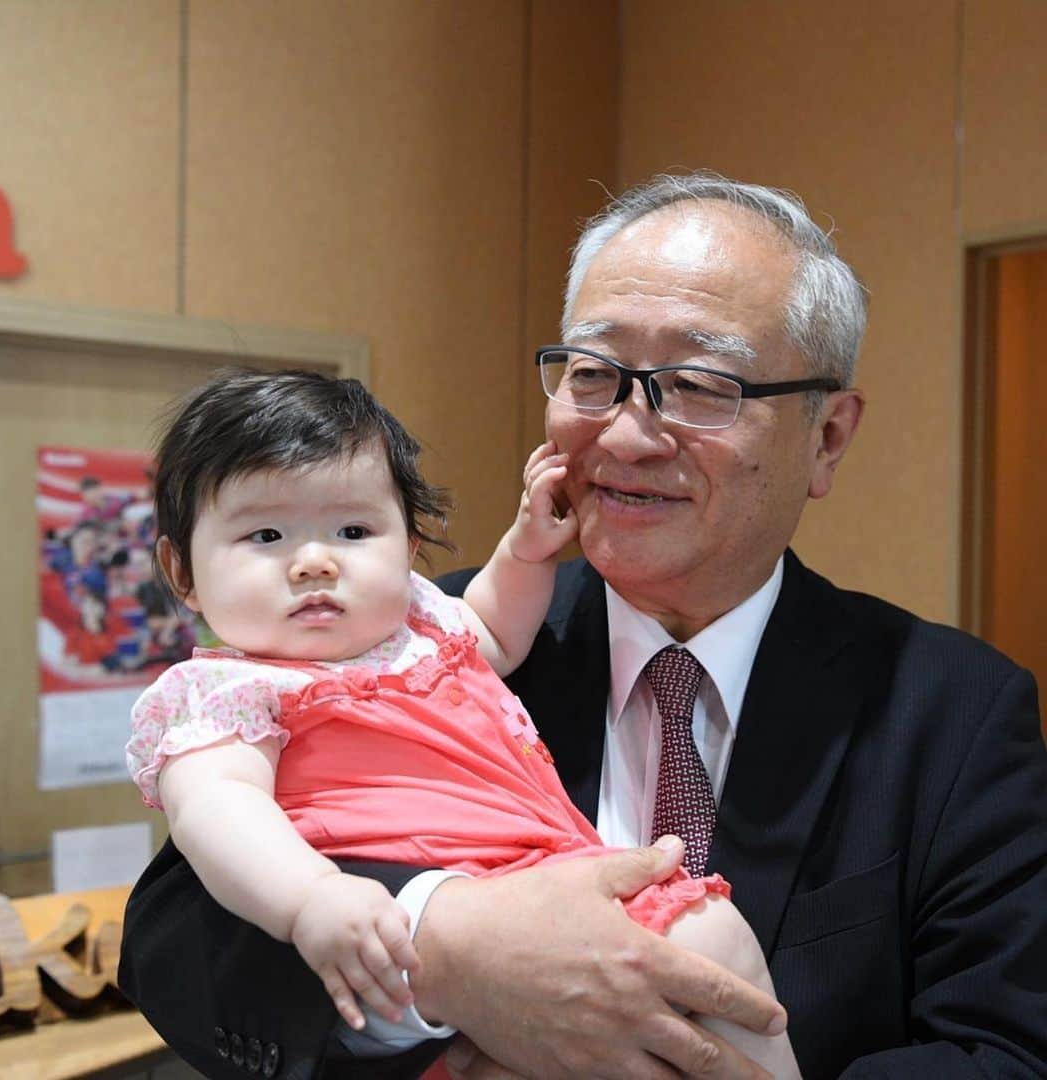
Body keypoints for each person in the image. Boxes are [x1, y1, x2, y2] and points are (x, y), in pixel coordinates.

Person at [120, 174, 1047, 1079]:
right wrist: (443, 947)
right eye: (596, 375)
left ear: (828, 436)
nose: (629, 437)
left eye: (699, 384)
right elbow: (174, 942)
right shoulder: (405, 649)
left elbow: (1004, 1047)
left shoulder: (952, 711)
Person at [122, 366, 800, 1076]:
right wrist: (310, 899)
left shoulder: (426, 629)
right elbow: (217, 809)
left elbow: (497, 632)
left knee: (709, 944)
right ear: (181, 571)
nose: (314, 563)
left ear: (409, 547)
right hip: (402, 933)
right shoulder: (223, 692)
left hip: (553, 877)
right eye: (265, 535)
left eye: (353, 529)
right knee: (707, 937)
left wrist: (527, 550)